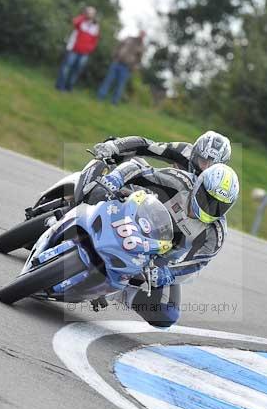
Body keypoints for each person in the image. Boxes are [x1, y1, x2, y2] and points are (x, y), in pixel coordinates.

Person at [83, 160, 240, 328]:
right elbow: (140, 170)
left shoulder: (215, 233)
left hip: (156, 256)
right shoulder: (179, 181)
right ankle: (71, 210)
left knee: (166, 315)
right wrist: (116, 179)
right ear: (198, 185)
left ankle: (116, 291)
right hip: (130, 218)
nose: (210, 207)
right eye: (207, 198)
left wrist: (167, 274)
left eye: (219, 206)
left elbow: (195, 264)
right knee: (95, 192)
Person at [91, 131, 232, 175]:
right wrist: (114, 146)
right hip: (160, 195)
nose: (205, 168)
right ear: (195, 153)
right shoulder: (184, 151)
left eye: (211, 164)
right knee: (134, 163)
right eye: (203, 161)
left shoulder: (221, 183)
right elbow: (148, 145)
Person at [55, 7, 100, 91]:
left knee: (76, 71)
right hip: (73, 50)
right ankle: (60, 85)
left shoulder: (96, 26)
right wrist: (84, 16)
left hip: (84, 53)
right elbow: (74, 22)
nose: (91, 14)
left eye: (92, 13)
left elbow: (95, 40)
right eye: (89, 12)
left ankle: (69, 87)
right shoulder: (81, 21)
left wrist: (90, 49)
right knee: (66, 68)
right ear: (85, 13)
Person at [97, 31, 146, 104]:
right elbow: (119, 46)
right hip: (117, 62)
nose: (141, 35)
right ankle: (100, 97)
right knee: (108, 80)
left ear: (144, 37)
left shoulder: (141, 47)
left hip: (126, 68)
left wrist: (133, 67)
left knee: (120, 86)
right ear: (139, 33)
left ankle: (114, 102)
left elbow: (139, 60)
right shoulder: (129, 38)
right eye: (141, 33)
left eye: (143, 35)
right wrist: (114, 55)